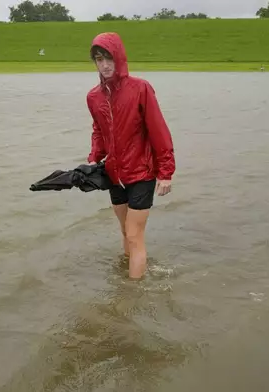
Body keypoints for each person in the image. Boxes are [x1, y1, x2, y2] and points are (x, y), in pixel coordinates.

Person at [86, 32, 176, 280]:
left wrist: (166, 172)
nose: (104, 65)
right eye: (98, 59)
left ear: (120, 58)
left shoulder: (140, 89)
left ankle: (131, 298)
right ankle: (127, 279)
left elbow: (159, 130)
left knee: (135, 235)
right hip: (114, 175)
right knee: (126, 232)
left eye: (108, 58)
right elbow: (99, 130)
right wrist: (94, 157)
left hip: (142, 173)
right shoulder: (93, 97)